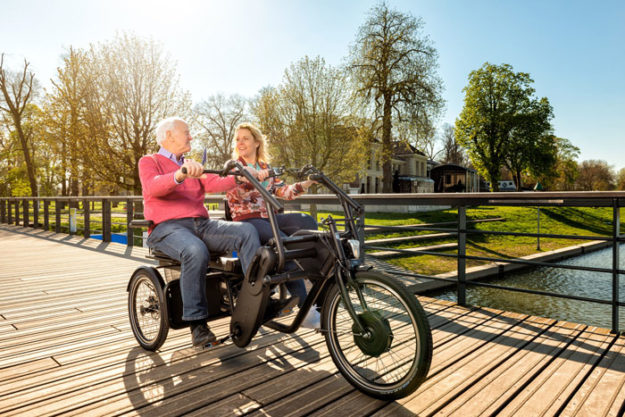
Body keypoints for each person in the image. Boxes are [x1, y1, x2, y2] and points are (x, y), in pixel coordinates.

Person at [139, 116, 266, 346]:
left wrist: (241, 175)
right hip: (167, 228)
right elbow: (153, 186)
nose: (191, 136)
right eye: (186, 132)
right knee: (195, 250)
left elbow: (215, 183)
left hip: (201, 224)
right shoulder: (150, 161)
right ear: (169, 136)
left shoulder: (193, 164)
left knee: (246, 232)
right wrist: (180, 174)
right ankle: (197, 325)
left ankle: (254, 301)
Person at [226, 122, 320, 328]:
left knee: (306, 221)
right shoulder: (235, 167)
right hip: (248, 219)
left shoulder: (266, 167)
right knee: (281, 242)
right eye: (238, 139)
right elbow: (237, 191)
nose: (240, 142)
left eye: (245, 138)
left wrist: (304, 184)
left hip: (269, 216)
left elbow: (282, 191)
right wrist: (250, 177)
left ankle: (314, 278)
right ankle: (305, 308)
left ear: (257, 142)